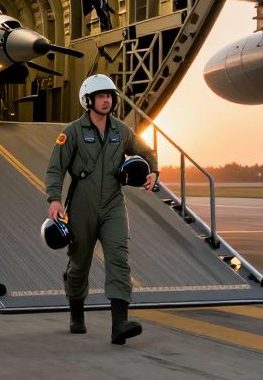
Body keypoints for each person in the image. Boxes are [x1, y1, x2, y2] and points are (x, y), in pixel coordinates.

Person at [44, 74, 158, 344]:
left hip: (113, 204)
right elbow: (55, 167)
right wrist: (54, 198)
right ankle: (76, 310)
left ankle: (119, 324)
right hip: (82, 203)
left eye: (109, 96)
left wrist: (153, 170)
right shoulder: (71, 132)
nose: (107, 100)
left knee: (119, 257)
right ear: (88, 100)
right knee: (79, 263)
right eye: (101, 96)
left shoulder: (121, 131)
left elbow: (145, 151)